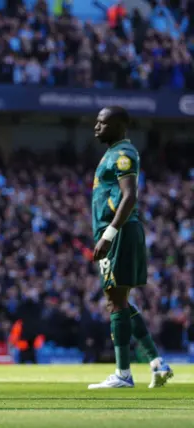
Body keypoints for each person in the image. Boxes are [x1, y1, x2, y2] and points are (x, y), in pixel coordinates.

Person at [88, 106, 173, 389]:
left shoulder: (123, 155)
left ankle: (123, 374)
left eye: (103, 123)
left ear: (120, 125)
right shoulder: (113, 152)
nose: (96, 127)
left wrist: (109, 234)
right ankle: (157, 364)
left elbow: (130, 196)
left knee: (115, 301)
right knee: (121, 301)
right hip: (118, 231)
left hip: (119, 232)